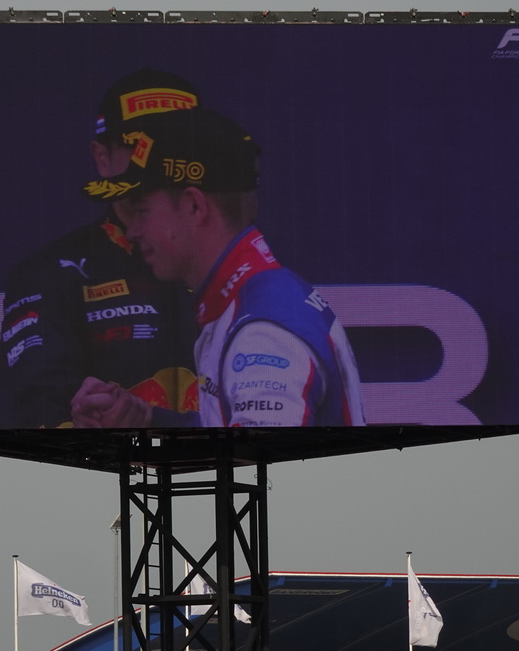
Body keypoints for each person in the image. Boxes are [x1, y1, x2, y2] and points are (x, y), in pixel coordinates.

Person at [73, 107, 366, 428]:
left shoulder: (261, 333)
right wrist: (146, 419)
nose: (133, 230)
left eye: (141, 209)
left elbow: (258, 475)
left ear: (194, 206)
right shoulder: (256, 300)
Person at [0, 68, 201, 428]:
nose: (156, 160)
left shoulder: (241, 270)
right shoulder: (49, 276)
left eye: (178, 142)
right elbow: (40, 412)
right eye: (137, 143)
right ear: (102, 158)